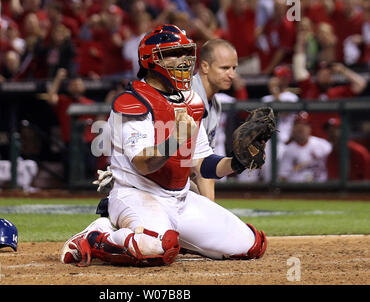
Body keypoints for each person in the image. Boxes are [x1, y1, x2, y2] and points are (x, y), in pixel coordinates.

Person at [61, 24, 267, 267]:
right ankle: (97, 235)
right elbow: (144, 163)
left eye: (184, 53)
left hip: (179, 198)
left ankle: (170, 234)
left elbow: (202, 163)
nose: (182, 60)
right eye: (172, 54)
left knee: (251, 245)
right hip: (136, 193)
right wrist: (175, 139)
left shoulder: (192, 100)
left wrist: (237, 162)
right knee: (156, 249)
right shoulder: (132, 101)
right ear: (150, 60)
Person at [191, 38, 242, 199]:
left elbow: (205, 165)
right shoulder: (187, 96)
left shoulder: (215, 104)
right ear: (205, 66)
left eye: (234, 68)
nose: (232, 75)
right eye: (225, 68)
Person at [279, 112, 332, 182]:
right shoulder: (288, 150)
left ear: (310, 128)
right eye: (298, 124)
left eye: (305, 124)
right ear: (293, 129)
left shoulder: (323, 145)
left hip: (321, 187)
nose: (301, 128)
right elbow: (283, 176)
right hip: (297, 189)